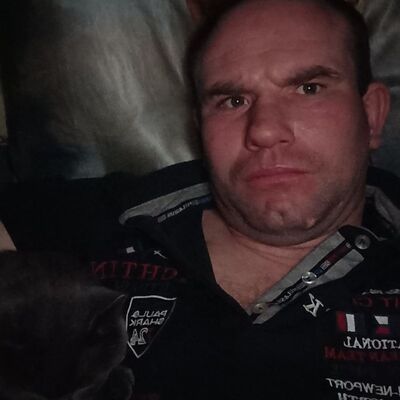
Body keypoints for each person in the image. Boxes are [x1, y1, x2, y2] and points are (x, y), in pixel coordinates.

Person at [1, 0, 400, 399]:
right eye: (233, 101)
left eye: (308, 88)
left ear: (371, 115)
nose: (263, 130)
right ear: (200, 128)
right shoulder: (126, 212)